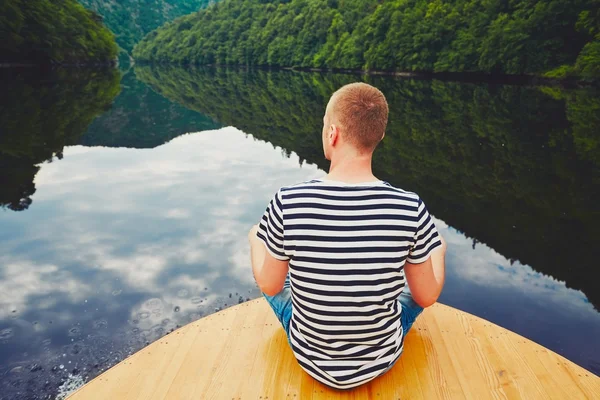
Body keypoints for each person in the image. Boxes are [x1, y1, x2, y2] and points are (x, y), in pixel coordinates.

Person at [248, 82, 446, 390]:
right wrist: (439, 251)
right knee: (414, 286)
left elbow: (269, 285)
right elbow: (428, 296)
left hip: (309, 356)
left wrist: (255, 239)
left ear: (332, 133)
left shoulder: (288, 200)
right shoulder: (410, 205)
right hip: (381, 357)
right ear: (378, 135)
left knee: (276, 270)